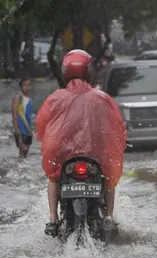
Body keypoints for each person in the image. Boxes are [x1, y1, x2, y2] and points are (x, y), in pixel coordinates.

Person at [37, 49, 128, 237]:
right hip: (95, 157)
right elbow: (118, 127)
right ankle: (109, 216)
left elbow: (42, 127)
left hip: (64, 157)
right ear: (90, 71)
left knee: (53, 178)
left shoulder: (54, 98)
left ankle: (53, 220)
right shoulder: (103, 98)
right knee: (110, 177)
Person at [11, 78, 33, 158]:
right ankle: (18, 168)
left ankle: (24, 169)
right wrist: (16, 129)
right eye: (25, 85)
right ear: (21, 87)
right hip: (20, 129)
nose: (27, 87)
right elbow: (14, 113)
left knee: (26, 154)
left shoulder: (29, 100)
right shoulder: (18, 97)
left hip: (28, 129)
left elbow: (29, 116)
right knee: (22, 151)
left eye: (29, 85)